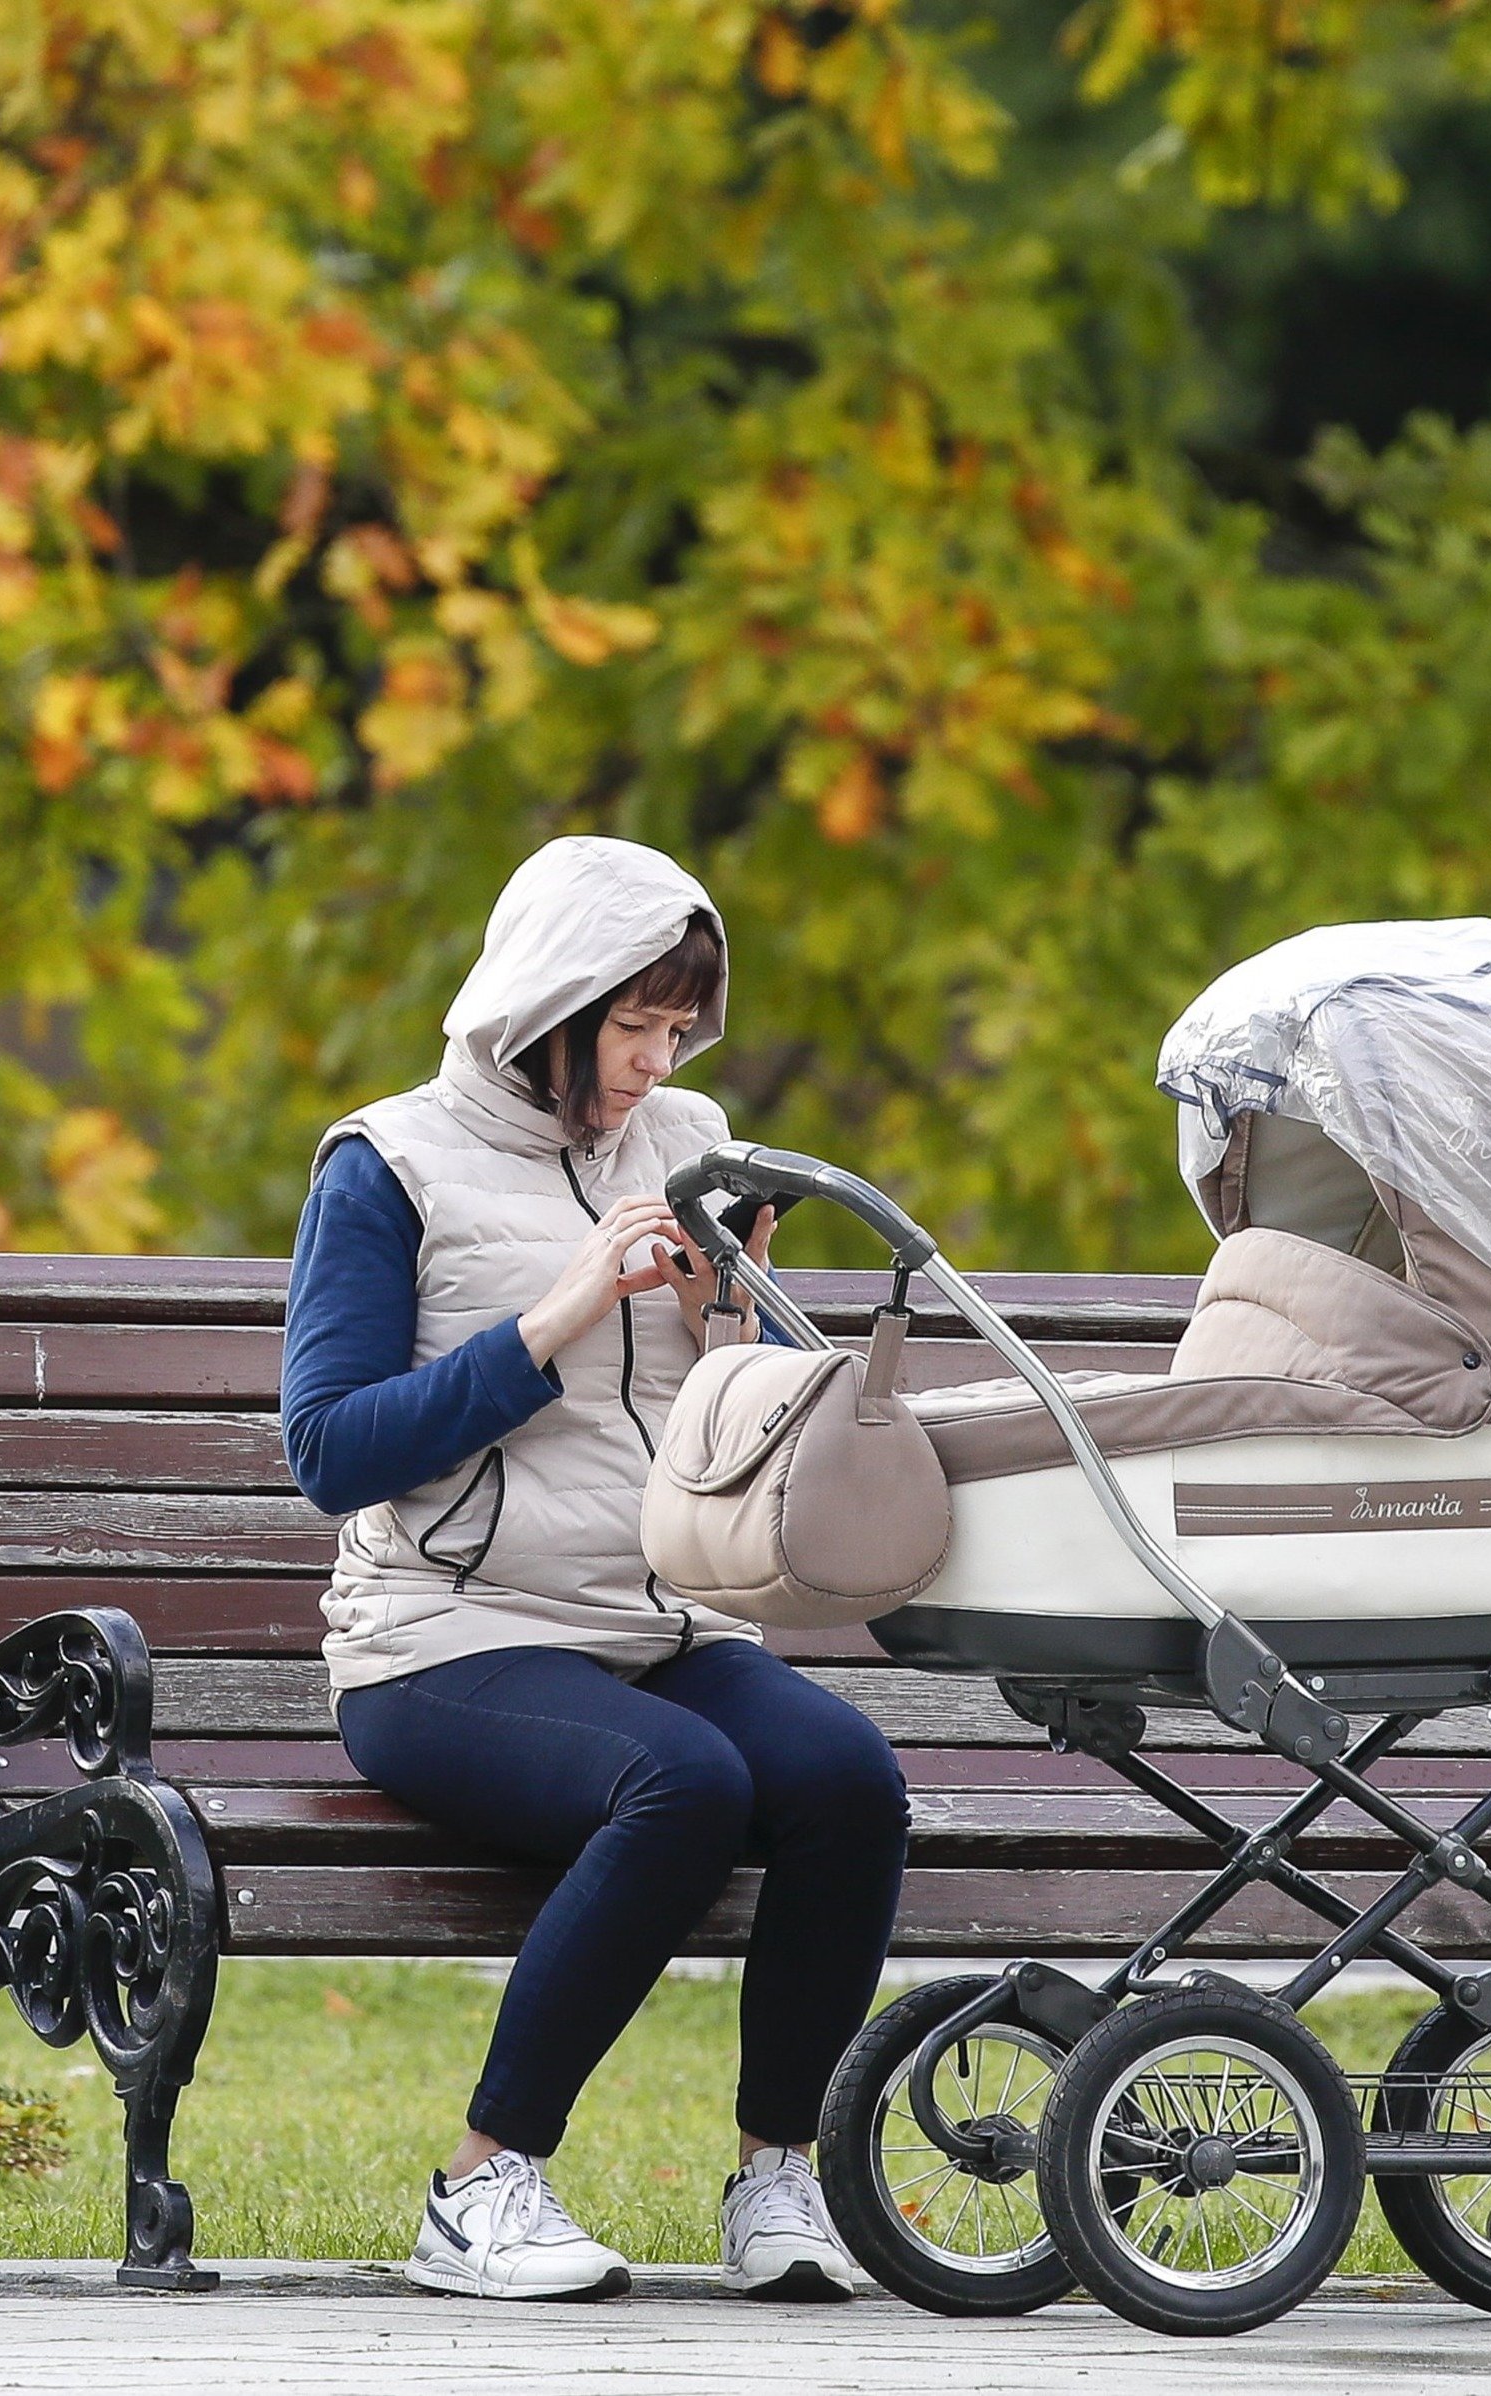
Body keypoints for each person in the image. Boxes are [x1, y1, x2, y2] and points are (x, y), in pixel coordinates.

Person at [279, 836, 910, 2303]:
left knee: (843, 1779)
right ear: (548, 1002)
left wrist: (721, 1334)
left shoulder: (686, 1138)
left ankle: (775, 2180)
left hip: (656, 1620)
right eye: (632, 1025)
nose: (654, 1058)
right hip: (441, 1642)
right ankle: (480, 2184)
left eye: (678, 1028)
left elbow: (721, 1415)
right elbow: (329, 1453)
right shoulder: (386, 1166)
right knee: (682, 1782)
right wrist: (551, 1318)